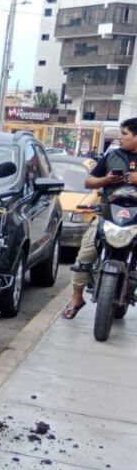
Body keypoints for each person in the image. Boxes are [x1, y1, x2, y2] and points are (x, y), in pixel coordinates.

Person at [63, 117, 137, 319]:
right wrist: (105, 179)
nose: (120, 138)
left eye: (124, 134)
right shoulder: (112, 156)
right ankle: (76, 298)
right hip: (108, 215)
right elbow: (89, 182)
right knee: (85, 255)